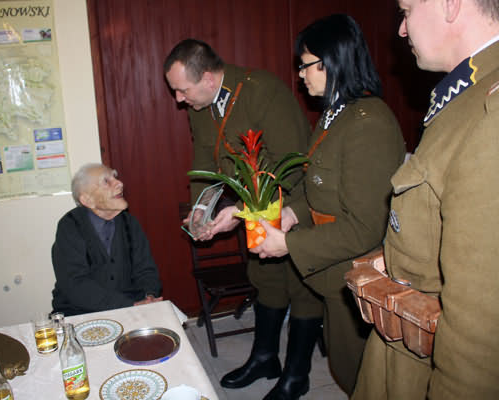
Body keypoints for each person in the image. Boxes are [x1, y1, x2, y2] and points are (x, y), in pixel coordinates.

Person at [251, 14, 406, 397]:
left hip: (356, 273)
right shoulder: (334, 115)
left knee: (359, 374)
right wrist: (292, 213)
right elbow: (319, 189)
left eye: (306, 65)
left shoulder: (368, 123)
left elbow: (365, 227)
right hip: (334, 268)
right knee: (342, 365)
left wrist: (289, 245)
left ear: (333, 61)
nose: (300, 75)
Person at [351, 1, 499, 399]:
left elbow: (480, 330)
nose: (401, 30)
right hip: (404, 333)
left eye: (407, 10)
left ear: (449, 5)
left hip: (431, 361)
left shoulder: (492, 111)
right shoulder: (466, 92)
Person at [164, 39, 325, 398]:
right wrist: (201, 208)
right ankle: (265, 358)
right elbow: (204, 158)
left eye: (182, 90)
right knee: (266, 279)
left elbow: (292, 163)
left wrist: (240, 210)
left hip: (295, 204)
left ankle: (297, 375)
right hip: (253, 208)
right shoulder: (200, 104)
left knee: (302, 288)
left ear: (208, 78)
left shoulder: (262, 92)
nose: (178, 99)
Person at [51, 163, 162, 316]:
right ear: (87, 200)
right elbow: (75, 284)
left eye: (115, 177)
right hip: (80, 311)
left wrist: (149, 296)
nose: (120, 183)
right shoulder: (70, 226)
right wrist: (129, 305)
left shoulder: (130, 223)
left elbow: (146, 269)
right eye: (106, 181)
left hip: (132, 304)